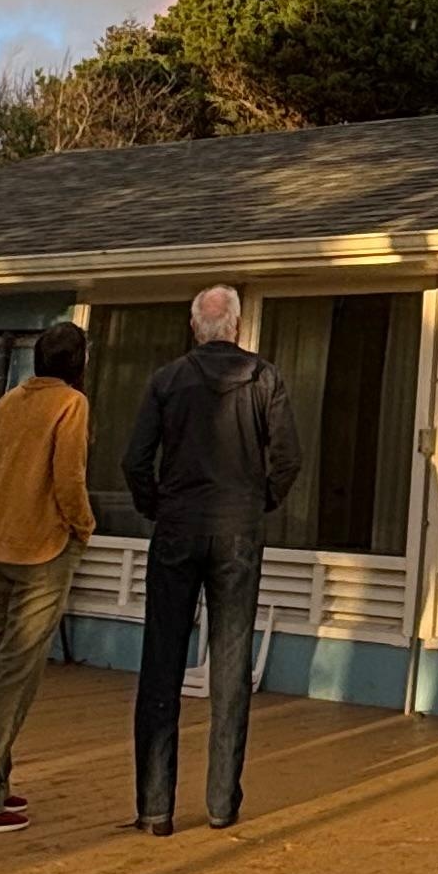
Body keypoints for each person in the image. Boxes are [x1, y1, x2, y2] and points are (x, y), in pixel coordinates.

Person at [123, 283, 299, 834]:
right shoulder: (265, 378)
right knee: (230, 665)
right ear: (237, 327)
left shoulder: (167, 379)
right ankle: (222, 804)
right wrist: (257, 500)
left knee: (161, 663)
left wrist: (159, 506)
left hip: (178, 527)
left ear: (196, 327)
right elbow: (287, 457)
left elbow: (134, 461)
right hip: (237, 532)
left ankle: (155, 808)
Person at [0, 323, 95, 835]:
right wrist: (81, 525)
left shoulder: (9, 403)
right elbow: (70, 477)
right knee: (16, 675)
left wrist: (11, 498)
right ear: (78, 362)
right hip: (43, 551)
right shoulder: (71, 404)